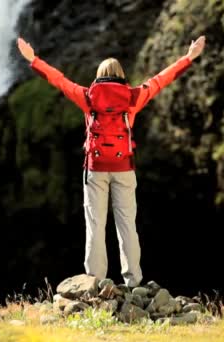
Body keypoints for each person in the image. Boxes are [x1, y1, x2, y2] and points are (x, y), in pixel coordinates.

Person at [16, 35, 206, 287]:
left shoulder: (88, 97)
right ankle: (133, 280)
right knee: (127, 224)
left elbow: (59, 81)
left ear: (98, 75)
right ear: (122, 75)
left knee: (95, 224)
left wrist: (34, 60)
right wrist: (188, 58)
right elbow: (161, 80)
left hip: (94, 169)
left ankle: (94, 280)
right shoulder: (133, 97)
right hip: (124, 168)